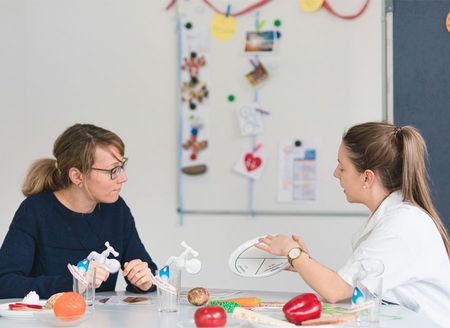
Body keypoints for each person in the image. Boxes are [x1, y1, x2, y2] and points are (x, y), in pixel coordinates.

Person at [257, 122, 450, 327]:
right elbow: (356, 286)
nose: (335, 174)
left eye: (342, 167)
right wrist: (304, 261)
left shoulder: (401, 226)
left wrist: (292, 251)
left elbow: (336, 290)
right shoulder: (393, 217)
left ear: (367, 177)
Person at [0, 123, 158, 299]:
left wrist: (145, 281)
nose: (123, 178)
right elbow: (5, 282)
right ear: (77, 176)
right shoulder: (35, 210)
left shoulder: (117, 209)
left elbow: (147, 269)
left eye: (122, 167)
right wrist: (73, 283)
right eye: (113, 170)